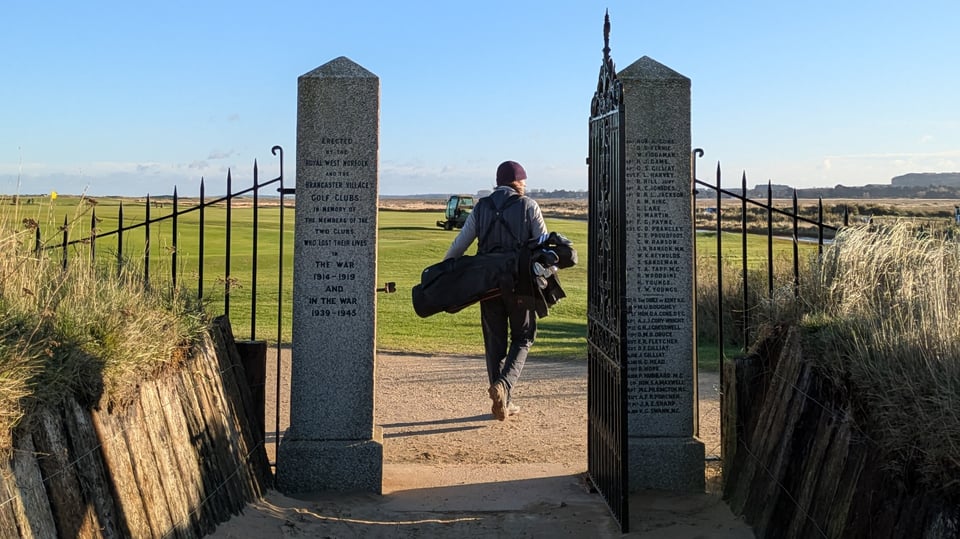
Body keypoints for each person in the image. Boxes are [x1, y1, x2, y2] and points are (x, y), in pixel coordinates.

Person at [443, 160, 548, 421]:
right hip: (520, 284)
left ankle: (503, 400)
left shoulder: (482, 207)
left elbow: (460, 245)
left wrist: (443, 272)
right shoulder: (529, 206)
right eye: (523, 180)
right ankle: (504, 387)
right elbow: (545, 248)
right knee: (523, 337)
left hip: (487, 285)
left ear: (498, 182)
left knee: (494, 342)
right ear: (519, 182)